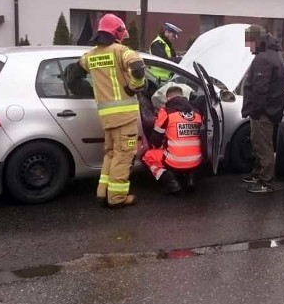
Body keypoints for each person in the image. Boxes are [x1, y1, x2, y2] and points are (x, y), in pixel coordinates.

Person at [79, 14, 146, 208]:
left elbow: (74, 72)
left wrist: (81, 88)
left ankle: (103, 192)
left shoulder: (91, 55)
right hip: (124, 118)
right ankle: (117, 198)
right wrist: (135, 86)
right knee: (124, 155)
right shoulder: (122, 51)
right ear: (116, 32)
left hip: (106, 118)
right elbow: (138, 67)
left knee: (110, 153)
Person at [241, 26, 284, 194]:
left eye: (249, 42)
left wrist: (254, 110)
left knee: (263, 146)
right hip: (271, 109)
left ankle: (266, 181)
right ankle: (258, 173)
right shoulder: (274, 54)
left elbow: (260, 89)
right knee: (258, 142)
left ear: (256, 40)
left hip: (264, 112)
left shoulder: (263, 58)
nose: (249, 47)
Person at [142, 86, 204, 194]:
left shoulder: (165, 112)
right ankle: (191, 179)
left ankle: (172, 183)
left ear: (167, 98)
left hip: (175, 162)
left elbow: (156, 139)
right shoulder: (197, 113)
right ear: (183, 96)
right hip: (196, 162)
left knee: (147, 156)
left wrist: (155, 146)